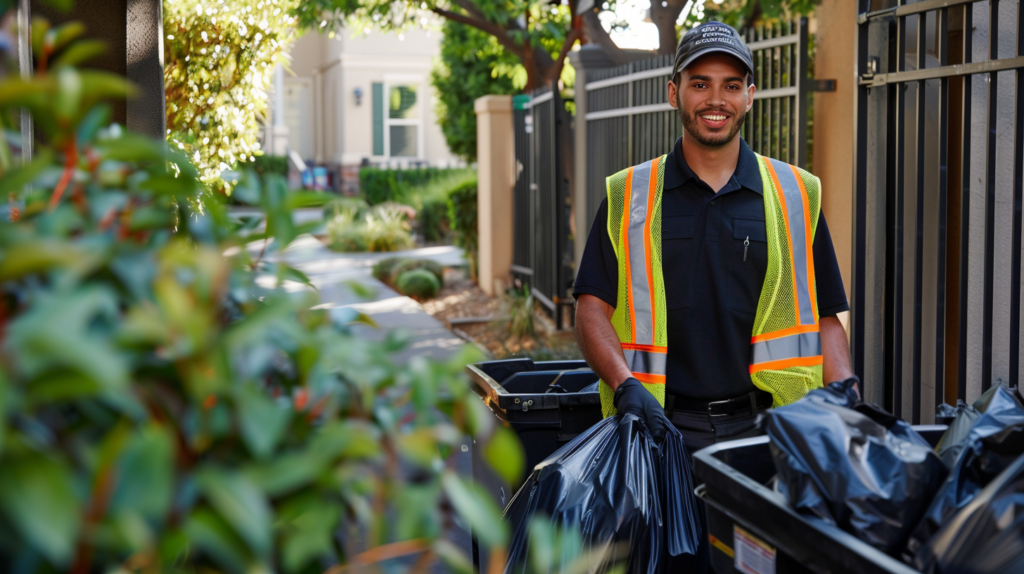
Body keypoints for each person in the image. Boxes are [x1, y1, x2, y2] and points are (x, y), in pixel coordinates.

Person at [574, 21, 856, 452]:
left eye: (731, 85)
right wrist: (624, 385)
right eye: (700, 84)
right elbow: (591, 308)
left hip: (772, 428)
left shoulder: (795, 193)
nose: (716, 100)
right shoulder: (629, 194)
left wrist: (846, 405)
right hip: (656, 427)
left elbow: (826, 318)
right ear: (674, 93)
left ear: (749, 96)